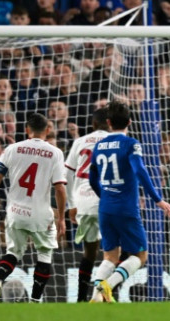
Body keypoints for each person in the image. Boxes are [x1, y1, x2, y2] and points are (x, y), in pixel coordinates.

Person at [88, 101, 170, 303]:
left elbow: (92, 177)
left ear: (108, 122)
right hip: (126, 208)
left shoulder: (99, 145)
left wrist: (105, 195)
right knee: (140, 256)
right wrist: (158, 199)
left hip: (105, 208)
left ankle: (96, 297)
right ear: (130, 121)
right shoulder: (131, 144)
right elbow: (139, 170)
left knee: (110, 257)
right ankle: (107, 286)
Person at [0, 112, 67, 303]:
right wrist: (61, 218)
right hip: (40, 214)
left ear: (27, 129)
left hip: (15, 212)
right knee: (44, 254)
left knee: (13, 253)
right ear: (48, 130)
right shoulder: (55, 152)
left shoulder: (12, 148)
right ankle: (35, 300)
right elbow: (60, 189)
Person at [64, 107, 110, 302]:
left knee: (90, 252)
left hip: (82, 200)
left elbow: (67, 174)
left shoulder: (79, 141)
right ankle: (105, 294)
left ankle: (81, 299)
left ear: (92, 124)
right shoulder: (114, 141)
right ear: (110, 123)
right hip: (107, 199)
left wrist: (70, 205)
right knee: (114, 252)